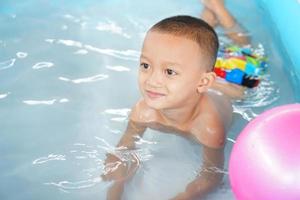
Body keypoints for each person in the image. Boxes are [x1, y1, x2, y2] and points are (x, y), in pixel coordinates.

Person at [101, 15, 243, 200]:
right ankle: (208, 18)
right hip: (199, 76)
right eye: (146, 65)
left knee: (241, 53)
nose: (152, 80)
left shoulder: (208, 128)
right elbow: (122, 151)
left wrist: (184, 196)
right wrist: (117, 186)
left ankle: (218, 9)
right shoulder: (143, 111)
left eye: (169, 72)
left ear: (202, 82)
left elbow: (211, 177)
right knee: (198, 44)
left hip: (230, 86)